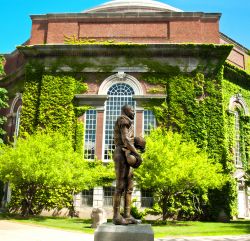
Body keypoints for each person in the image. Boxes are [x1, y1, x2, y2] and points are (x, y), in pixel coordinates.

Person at [113, 105, 142, 225]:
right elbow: (125, 139)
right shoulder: (123, 120)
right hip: (121, 153)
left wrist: (139, 144)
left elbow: (129, 140)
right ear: (126, 111)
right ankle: (116, 216)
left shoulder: (129, 122)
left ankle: (127, 215)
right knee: (120, 185)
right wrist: (137, 153)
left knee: (129, 187)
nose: (134, 112)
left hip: (128, 153)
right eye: (132, 110)